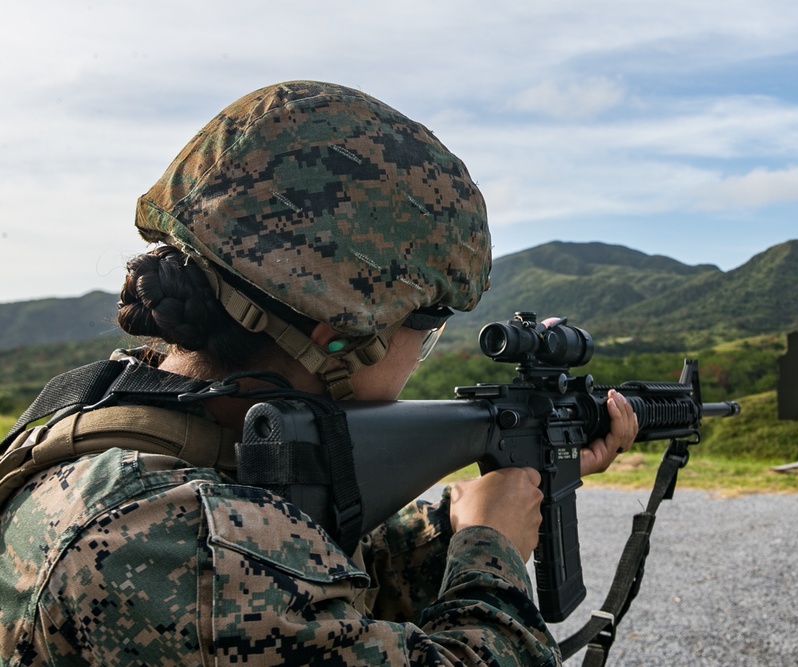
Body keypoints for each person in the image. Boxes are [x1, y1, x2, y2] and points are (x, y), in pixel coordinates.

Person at [0, 81, 638, 665]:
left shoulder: (151, 434)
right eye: (426, 331)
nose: (421, 353)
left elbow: (301, 570)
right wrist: (491, 550)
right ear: (342, 338)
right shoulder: (162, 540)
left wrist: (458, 519)